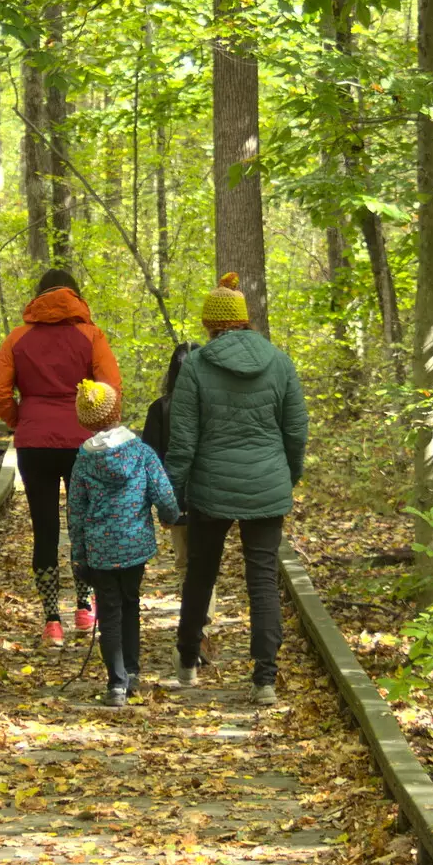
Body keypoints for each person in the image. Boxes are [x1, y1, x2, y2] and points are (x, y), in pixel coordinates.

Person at [166, 273, 308, 707]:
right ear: (245, 321)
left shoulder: (196, 367)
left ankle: (188, 662)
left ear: (209, 325)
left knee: (201, 573)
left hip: (211, 487)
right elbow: (296, 431)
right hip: (267, 484)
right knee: (262, 578)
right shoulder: (280, 361)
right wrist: (287, 476)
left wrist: (172, 493)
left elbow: (183, 439)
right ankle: (264, 678)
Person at [0, 269, 122, 646]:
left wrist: (21, 420)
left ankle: (51, 621)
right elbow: (110, 388)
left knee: (44, 529)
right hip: (82, 443)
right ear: (76, 296)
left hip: (34, 445)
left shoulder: (17, 338)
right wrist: (100, 427)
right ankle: (83, 607)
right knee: (83, 524)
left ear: (38, 296)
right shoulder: (90, 335)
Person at [67, 381, 181, 706]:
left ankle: (116, 684)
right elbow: (162, 491)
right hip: (135, 546)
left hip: (100, 550)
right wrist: (172, 515)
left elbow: (76, 513)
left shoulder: (84, 461)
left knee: (110, 612)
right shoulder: (141, 452)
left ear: (84, 421)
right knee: (131, 605)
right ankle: (131, 673)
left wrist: (79, 555)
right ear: (117, 411)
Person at [141, 341, 202, 594]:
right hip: (208, 497)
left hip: (175, 499)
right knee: (201, 561)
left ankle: (196, 619)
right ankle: (201, 621)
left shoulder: (160, 408)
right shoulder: (214, 406)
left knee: (185, 562)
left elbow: (150, 462)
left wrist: (161, 504)